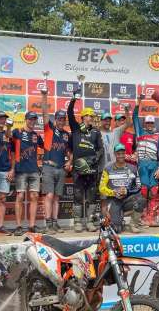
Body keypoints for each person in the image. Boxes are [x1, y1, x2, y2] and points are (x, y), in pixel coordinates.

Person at [67, 95, 104, 232]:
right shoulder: (76, 129)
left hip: (92, 168)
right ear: (82, 117)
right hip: (78, 168)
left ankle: (89, 221)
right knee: (77, 195)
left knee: (92, 195)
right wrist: (73, 99)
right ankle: (77, 222)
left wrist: (94, 158)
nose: (90, 118)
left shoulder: (96, 132)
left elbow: (101, 149)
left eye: (91, 116)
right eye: (87, 116)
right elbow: (69, 113)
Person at [41, 91, 72, 234]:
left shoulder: (66, 134)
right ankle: (48, 224)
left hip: (61, 168)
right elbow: (44, 113)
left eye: (63, 119)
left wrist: (70, 161)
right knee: (49, 195)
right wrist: (45, 96)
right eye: (59, 119)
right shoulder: (49, 129)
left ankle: (55, 223)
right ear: (55, 120)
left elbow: (69, 152)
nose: (61, 121)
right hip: (48, 166)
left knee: (57, 197)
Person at [99, 143, 145, 233]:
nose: (121, 156)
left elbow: (139, 186)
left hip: (127, 199)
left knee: (141, 200)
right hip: (114, 200)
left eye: (122, 153)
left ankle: (134, 224)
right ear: (115, 154)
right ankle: (119, 219)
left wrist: (127, 191)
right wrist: (114, 192)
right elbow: (101, 188)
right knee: (116, 230)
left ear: (125, 154)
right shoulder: (107, 169)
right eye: (118, 153)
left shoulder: (133, 168)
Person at [12, 111, 44, 235]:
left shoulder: (36, 135)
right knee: (20, 196)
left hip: (34, 170)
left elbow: (46, 147)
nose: (32, 122)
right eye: (30, 119)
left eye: (34, 119)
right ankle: (19, 226)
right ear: (26, 119)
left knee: (34, 196)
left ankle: (31, 225)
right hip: (21, 169)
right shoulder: (17, 132)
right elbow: (9, 142)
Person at [133, 98, 159, 226]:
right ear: (144, 124)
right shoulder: (140, 132)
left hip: (154, 164)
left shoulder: (158, 136)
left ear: (153, 124)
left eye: (151, 123)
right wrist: (138, 104)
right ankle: (143, 217)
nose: (149, 125)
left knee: (154, 190)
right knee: (144, 190)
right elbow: (134, 117)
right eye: (147, 123)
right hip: (143, 164)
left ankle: (152, 217)